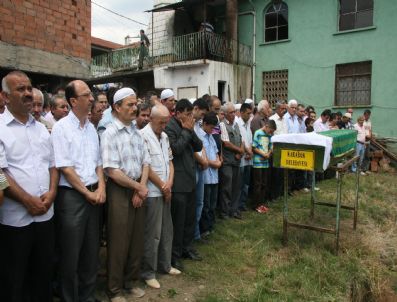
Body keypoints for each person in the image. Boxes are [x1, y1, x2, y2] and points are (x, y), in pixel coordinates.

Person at [0, 70, 58, 302]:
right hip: (16, 220)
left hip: (45, 215)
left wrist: (52, 193)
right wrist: (27, 201)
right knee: (14, 279)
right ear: (5, 96)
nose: (27, 93)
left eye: (28, 88)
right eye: (20, 89)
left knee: (43, 275)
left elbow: (53, 165)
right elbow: (1, 173)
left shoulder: (42, 129)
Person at [51, 80, 106, 302]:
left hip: (94, 193)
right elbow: (65, 167)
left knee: (91, 252)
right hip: (73, 197)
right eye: (86, 95)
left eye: (91, 94)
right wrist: (87, 193)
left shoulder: (91, 128)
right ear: (73, 101)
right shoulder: (61, 128)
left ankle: (87, 296)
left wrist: (101, 187)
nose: (92, 98)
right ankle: (69, 297)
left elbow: (98, 163)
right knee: (71, 254)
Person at [100, 87, 149, 301]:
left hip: (138, 187)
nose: (134, 108)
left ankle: (131, 282)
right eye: (129, 104)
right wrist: (137, 187)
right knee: (119, 240)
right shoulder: (110, 132)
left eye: (134, 104)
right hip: (119, 190)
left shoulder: (136, 132)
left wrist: (142, 186)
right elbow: (112, 170)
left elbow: (145, 162)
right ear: (116, 107)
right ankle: (115, 289)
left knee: (137, 239)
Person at [140, 105, 181, 290]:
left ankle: (165, 265)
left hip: (166, 190)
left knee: (167, 230)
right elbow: (146, 167)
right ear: (151, 119)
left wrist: (170, 183)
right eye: (161, 122)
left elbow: (170, 162)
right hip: (153, 192)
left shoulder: (164, 137)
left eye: (166, 122)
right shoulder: (142, 136)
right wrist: (163, 186)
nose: (164, 126)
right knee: (153, 234)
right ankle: (148, 272)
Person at [165, 99, 203, 271]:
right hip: (178, 183)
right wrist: (187, 130)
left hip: (190, 179)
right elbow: (176, 149)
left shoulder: (188, 126)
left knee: (189, 219)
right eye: (187, 114)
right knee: (178, 222)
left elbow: (198, 146)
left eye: (190, 114)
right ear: (178, 112)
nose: (189, 117)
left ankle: (187, 248)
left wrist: (190, 131)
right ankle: (175, 255)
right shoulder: (170, 127)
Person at [219, 102, 244, 219]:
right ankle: (225, 212)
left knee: (236, 187)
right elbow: (226, 143)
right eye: (231, 112)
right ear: (224, 114)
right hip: (228, 161)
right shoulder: (222, 125)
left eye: (234, 112)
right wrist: (239, 150)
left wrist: (241, 151)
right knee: (227, 188)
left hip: (237, 160)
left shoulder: (236, 124)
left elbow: (241, 140)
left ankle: (234, 210)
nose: (233, 114)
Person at [192, 99, 209, 241]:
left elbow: (201, 145)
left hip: (200, 167)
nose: (203, 117)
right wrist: (202, 161)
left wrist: (204, 160)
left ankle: (196, 234)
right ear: (195, 108)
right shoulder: (188, 124)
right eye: (202, 113)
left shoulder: (197, 125)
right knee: (193, 203)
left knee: (200, 202)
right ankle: (192, 234)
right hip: (193, 167)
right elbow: (191, 148)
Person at [252, 120, 276, 212]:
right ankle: (256, 204)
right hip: (258, 162)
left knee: (264, 184)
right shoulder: (258, 133)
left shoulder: (269, 135)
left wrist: (268, 154)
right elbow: (254, 147)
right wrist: (263, 154)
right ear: (266, 126)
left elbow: (271, 146)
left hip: (265, 162)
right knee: (257, 184)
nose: (271, 133)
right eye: (270, 131)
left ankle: (262, 203)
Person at [236, 103, 253, 211]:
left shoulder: (248, 124)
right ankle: (237, 205)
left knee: (246, 183)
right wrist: (248, 152)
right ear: (241, 112)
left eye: (251, 113)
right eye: (248, 113)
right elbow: (241, 140)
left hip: (248, 158)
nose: (250, 115)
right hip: (242, 159)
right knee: (239, 184)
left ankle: (242, 204)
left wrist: (250, 152)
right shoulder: (237, 124)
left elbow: (250, 141)